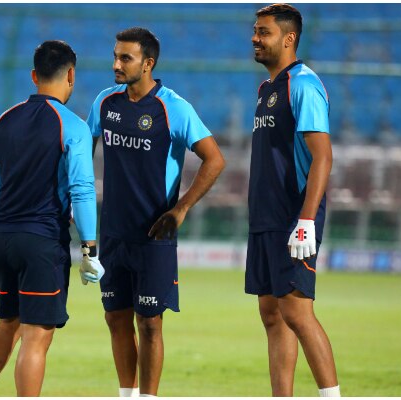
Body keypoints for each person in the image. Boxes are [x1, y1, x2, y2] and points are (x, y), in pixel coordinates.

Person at [87, 27, 225, 397]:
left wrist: (181, 209)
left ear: (147, 63)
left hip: (153, 238)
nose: (116, 64)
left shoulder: (174, 108)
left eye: (125, 58)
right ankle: (126, 394)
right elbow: (83, 156)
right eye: (115, 56)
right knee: (115, 318)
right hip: (113, 234)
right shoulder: (104, 103)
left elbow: (214, 159)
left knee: (149, 324)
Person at [0, 40, 104, 397]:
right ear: (71, 74)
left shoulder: (3, 122)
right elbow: (82, 190)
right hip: (41, 241)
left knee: (6, 324)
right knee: (36, 336)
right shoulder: (72, 126)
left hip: (0, 237)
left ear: (33, 76)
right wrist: (90, 246)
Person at [245, 4, 340, 397]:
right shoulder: (267, 88)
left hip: (293, 216)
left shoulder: (302, 84)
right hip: (265, 216)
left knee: (298, 312)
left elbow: (322, 155)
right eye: (254, 30)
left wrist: (306, 220)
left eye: (263, 32)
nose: (254, 38)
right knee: (272, 314)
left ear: (288, 38)